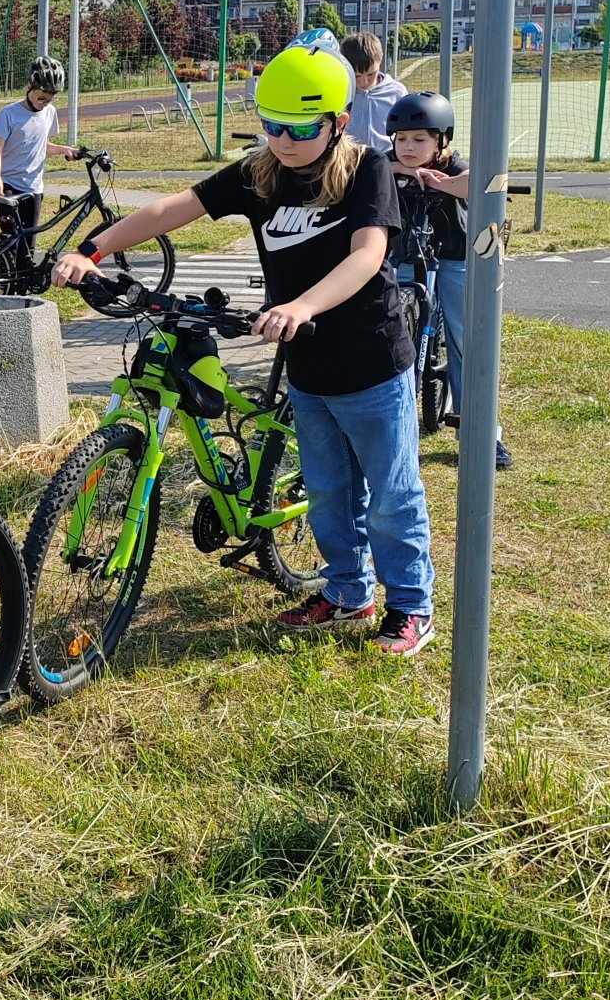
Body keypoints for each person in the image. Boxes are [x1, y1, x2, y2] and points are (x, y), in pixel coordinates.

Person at [54, 43, 436, 658]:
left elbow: (368, 255)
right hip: (306, 363)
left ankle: (411, 605)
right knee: (329, 491)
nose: (283, 140)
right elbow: (170, 210)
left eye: (300, 128)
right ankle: (347, 592)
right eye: (271, 124)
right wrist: (90, 250)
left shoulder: (367, 169)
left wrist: (303, 305)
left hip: (369, 358)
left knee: (391, 495)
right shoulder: (260, 172)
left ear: (338, 122)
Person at [387, 89, 512, 472]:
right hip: (406, 258)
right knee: (395, 339)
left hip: (454, 258)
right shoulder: (387, 163)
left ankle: (481, 433)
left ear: (442, 141)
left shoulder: (454, 165)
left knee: (465, 340)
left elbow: (484, 183)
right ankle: (394, 427)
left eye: (419, 139)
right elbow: (362, 172)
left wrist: (436, 182)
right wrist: (404, 172)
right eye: (401, 139)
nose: (408, 147)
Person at [0, 57, 81, 272]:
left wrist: (64, 149)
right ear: (30, 87)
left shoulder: (50, 113)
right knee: (11, 242)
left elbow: (42, 145)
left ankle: (22, 287)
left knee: (28, 245)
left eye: (49, 99)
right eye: (41, 97)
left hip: (34, 188)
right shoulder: (9, 114)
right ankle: (7, 288)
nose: (44, 103)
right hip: (8, 185)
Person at [341, 32, 406, 153]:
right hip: (349, 158)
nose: (364, 82)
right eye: (357, 76)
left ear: (380, 61)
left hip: (387, 157)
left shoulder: (397, 92)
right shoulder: (341, 92)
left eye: (371, 74)